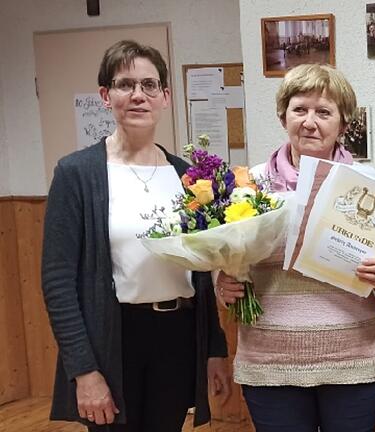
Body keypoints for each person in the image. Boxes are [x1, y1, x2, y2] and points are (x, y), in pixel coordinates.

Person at [41, 40, 230, 431]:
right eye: (126, 85)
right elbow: (58, 283)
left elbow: (202, 270)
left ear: (165, 96)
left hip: (177, 338)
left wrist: (214, 349)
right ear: (106, 96)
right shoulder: (77, 174)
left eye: (149, 85)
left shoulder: (188, 177)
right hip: (114, 340)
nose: (138, 95)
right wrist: (84, 371)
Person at [215, 64, 375, 432]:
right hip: (270, 362)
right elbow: (225, 255)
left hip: (353, 360)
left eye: (324, 112)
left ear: (343, 124)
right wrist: (224, 284)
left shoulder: (370, 186)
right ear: (284, 116)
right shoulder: (251, 184)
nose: (310, 122)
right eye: (300, 109)